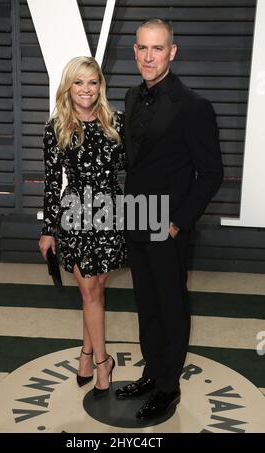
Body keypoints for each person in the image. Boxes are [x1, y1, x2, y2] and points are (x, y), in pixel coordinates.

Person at [116, 19, 223, 419]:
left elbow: (210, 173)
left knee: (171, 304)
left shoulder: (194, 106)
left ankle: (168, 386)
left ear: (172, 52)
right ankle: (152, 370)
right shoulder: (128, 96)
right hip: (134, 218)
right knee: (146, 302)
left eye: (157, 49)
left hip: (168, 223)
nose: (148, 56)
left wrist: (177, 221)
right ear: (135, 51)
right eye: (142, 48)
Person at [39, 56, 126, 397]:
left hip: (110, 214)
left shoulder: (114, 122)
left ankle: (86, 353)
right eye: (79, 82)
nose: (86, 90)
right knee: (89, 291)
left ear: (99, 86)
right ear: (69, 87)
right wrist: (48, 229)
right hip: (74, 215)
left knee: (95, 292)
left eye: (92, 82)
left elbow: (132, 166)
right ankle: (104, 364)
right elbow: (50, 182)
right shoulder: (57, 126)